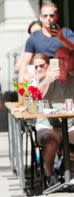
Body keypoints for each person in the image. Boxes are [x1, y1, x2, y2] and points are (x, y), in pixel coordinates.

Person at [35, 47, 74, 186]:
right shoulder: (46, 79)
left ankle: (70, 170)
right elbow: (33, 96)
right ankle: (50, 175)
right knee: (50, 140)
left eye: (65, 58)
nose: (62, 62)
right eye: (58, 59)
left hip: (69, 126)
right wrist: (47, 80)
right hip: (48, 125)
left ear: (70, 61)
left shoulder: (72, 80)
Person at [18, 2, 74, 82]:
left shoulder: (66, 33)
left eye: (51, 15)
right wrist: (21, 88)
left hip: (65, 79)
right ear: (40, 17)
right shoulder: (33, 38)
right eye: (45, 16)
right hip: (43, 80)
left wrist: (61, 38)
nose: (48, 18)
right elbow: (25, 63)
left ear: (56, 17)